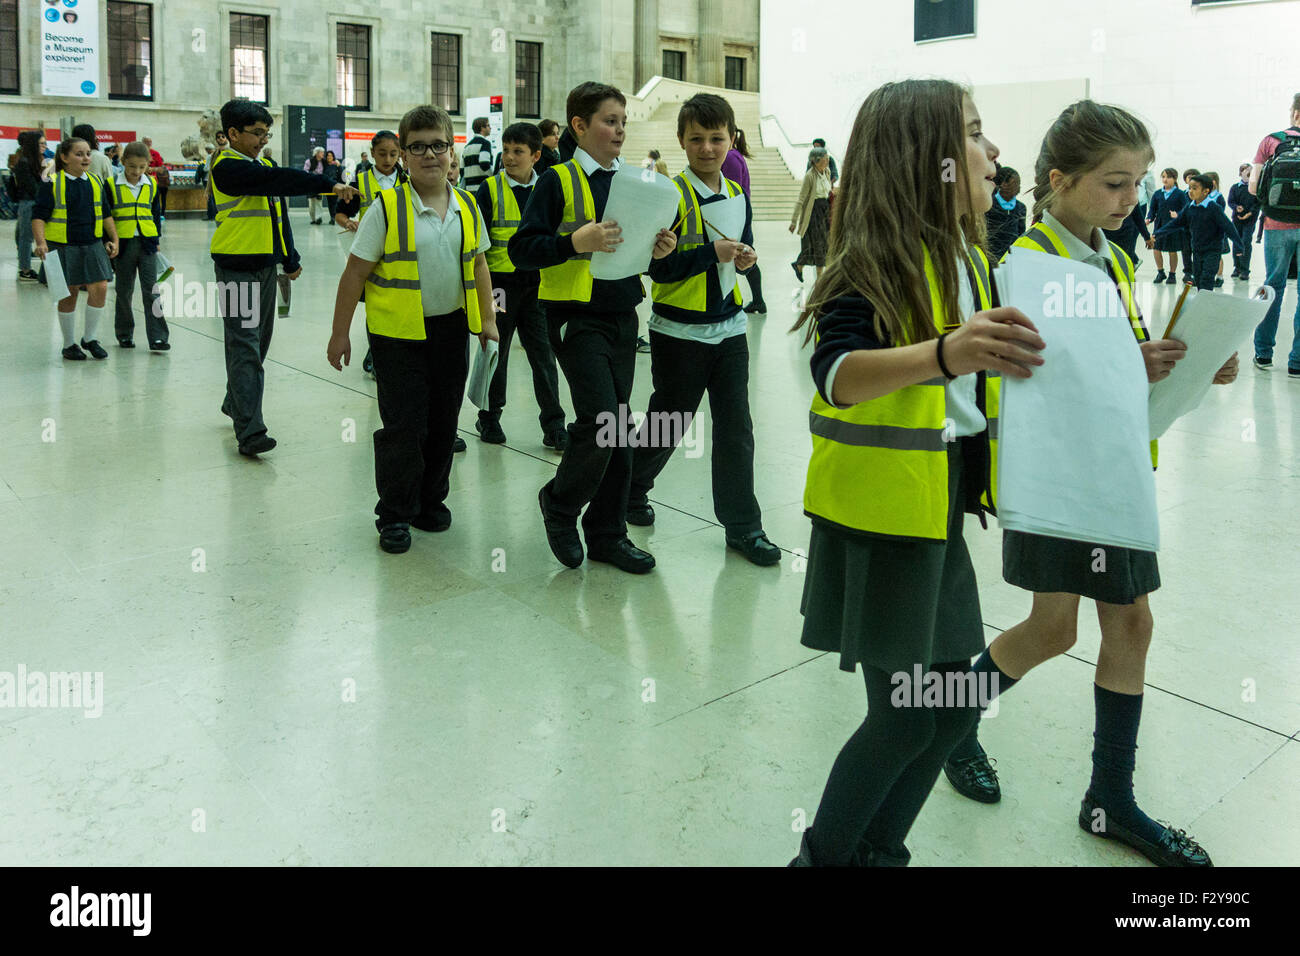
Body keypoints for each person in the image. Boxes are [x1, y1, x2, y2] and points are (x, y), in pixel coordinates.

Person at [944, 100, 1237, 868]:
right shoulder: (1027, 263)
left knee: (1126, 624)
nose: (1128, 202)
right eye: (1113, 185)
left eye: (1136, 185)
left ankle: (1109, 797)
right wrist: (1125, 366)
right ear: (1059, 179)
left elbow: (1122, 359)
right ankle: (950, 723)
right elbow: (1028, 383)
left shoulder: (1109, 256)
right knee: (1053, 629)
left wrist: (1194, 358)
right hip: (1061, 483)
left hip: (1114, 475)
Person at [787, 79, 1044, 866]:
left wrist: (1134, 366)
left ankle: (878, 853)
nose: (992, 150)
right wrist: (944, 353)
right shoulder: (872, 261)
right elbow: (835, 373)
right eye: (972, 132)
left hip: (935, 516)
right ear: (925, 159)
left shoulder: (970, 253)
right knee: (905, 715)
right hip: (882, 521)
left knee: (952, 709)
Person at [510, 81, 677, 574]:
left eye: (624, 122)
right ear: (579, 127)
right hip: (574, 316)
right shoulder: (556, 181)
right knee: (602, 421)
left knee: (620, 426)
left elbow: (632, 251)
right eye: (610, 121)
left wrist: (657, 251)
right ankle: (560, 504)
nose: (620, 130)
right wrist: (572, 243)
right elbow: (523, 250)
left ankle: (607, 534)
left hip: (623, 313)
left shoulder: (634, 182)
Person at [327, 105, 499, 554]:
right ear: (403, 155)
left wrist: (488, 322)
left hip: (450, 331)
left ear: (451, 151)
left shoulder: (466, 205)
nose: (429, 155)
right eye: (418, 147)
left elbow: (479, 263)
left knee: (443, 423)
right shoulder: (385, 209)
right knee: (404, 428)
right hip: (396, 336)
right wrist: (340, 332)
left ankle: (429, 502)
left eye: (438, 146)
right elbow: (355, 274)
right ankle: (395, 515)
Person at [628, 93, 779, 567]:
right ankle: (632, 488)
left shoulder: (737, 195)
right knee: (669, 422)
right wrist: (708, 255)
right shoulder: (668, 196)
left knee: (736, 428)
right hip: (679, 332)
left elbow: (743, 249)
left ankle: (744, 528)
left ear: (732, 139)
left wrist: (747, 258)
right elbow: (659, 270)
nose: (708, 148)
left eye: (717, 138)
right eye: (697, 139)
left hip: (730, 329)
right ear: (681, 141)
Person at [210, 99, 356, 456]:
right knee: (244, 345)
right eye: (256, 133)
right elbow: (276, 182)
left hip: (264, 267)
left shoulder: (262, 164)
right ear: (232, 133)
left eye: (266, 133)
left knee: (258, 344)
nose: (263, 139)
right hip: (235, 269)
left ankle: (236, 402)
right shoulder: (226, 166)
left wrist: (289, 258)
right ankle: (250, 431)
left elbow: (277, 216)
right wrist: (327, 183)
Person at [472, 122, 568, 450]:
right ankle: (489, 416)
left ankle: (554, 424)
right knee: (496, 350)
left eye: (518, 152)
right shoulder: (489, 189)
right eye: (506, 149)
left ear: (536, 155)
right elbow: (477, 245)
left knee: (543, 355)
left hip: (537, 288)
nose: (509, 158)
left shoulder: (548, 188)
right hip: (499, 287)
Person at [31, 137, 119, 361]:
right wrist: (41, 242)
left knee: (99, 288)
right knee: (68, 294)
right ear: (64, 157)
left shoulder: (96, 182)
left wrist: (113, 238)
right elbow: (38, 216)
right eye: (79, 154)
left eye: (88, 153)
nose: (86, 158)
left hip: (92, 244)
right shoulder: (52, 183)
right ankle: (69, 344)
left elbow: (106, 213)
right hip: (63, 246)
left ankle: (89, 338)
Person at [335, 130, 409, 382]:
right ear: (372, 152)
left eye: (393, 154)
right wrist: (349, 223)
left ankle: (376, 353)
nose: (388, 159)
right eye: (382, 154)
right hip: (370, 258)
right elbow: (340, 213)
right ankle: (378, 357)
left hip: (402, 255)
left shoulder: (408, 180)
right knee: (376, 309)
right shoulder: (360, 181)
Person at [1248, 93, 1300, 376]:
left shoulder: (1271, 140)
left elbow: (1254, 187)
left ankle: (1263, 355)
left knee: (1273, 286)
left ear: (1294, 114)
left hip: (1276, 223)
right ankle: (1297, 363)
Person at [109, 141, 167, 350]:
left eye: (142, 167)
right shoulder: (112, 184)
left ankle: (158, 336)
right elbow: (107, 216)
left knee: (151, 290)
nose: (136, 171)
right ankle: (124, 334)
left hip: (147, 243)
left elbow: (155, 213)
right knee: (124, 290)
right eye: (132, 166)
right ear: (123, 162)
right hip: (123, 244)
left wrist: (157, 240)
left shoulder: (151, 184)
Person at [1174, 173, 1243, 291]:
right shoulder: (1191, 206)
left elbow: (1228, 226)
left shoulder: (1214, 205)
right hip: (1197, 249)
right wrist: (1157, 234)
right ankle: (1202, 303)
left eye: (1194, 188)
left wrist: (1239, 245)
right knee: (1199, 278)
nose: (1190, 191)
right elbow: (1178, 223)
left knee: (1207, 279)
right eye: (1190, 188)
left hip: (1213, 248)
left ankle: (1208, 298)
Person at [723, 128, 765, 315]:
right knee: (744, 257)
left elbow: (733, 192)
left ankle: (758, 300)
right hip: (738, 214)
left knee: (744, 257)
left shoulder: (731, 157)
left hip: (735, 215)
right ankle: (758, 300)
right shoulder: (735, 155)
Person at [791, 148, 832, 283]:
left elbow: (828, 191)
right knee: (818, 246)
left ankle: (799, 265)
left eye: (827, 158)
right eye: (825, 158)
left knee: (823, 245)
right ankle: (820, 281)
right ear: (816, 161)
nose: (827, 160)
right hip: (814, 214)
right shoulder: (810, 176)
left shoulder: (827, 172)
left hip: (825, 211)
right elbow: (801, 199)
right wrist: (794, 221)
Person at [1144, 168, 1186, 284]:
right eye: (1163, 177)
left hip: (1173, 227)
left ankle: (1172, 274)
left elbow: (1186, 210)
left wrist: (1178, 215)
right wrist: (1148, 218)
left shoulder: (1180, 194)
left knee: (1172, 251)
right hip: (1160, 226)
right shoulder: (1158, 194)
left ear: (1174, 179)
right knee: (1156, 248)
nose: (1165, 179)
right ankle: (1160, 272)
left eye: (1168, 177)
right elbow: (1152, 209)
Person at [12, 130, 43, 281]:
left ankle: (25, 266)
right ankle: (24, 269)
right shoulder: (24, 163)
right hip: (28, 203)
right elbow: (32, 187)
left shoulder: (30, 161)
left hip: (30, 202)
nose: (44, 146)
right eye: (41, 144)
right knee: (26, 237)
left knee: (26, 236)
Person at [985, 165, 1027, 260]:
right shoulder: (989, 205)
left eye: (1019, 184)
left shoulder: (1021, 208)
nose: (1018, 187)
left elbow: (1021, 235)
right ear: (1003, 184)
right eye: (1015, 183)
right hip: (991, 258)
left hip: (1011, 259)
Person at [1227, 163, 1259, 279]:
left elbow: (1257, 203)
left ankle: (1245, 270)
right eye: (1244, 170)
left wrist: (1250, 213)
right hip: (1236, 220)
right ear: (1240, 173)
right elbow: (1230, 201)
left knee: (1245, 242)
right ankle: (1237, 267)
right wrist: (1236, 207)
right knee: (1236, 243)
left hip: (1249, 221)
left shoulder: (1255, 188)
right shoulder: (1235, 187)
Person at [142, 137, 169, 228]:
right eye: (146, 142)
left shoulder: (156, 153)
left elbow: (161, 169)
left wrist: (152, 169)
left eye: (150, 142)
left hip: (153, 181)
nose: (148, 143)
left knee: (154, 203)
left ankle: (156, 222)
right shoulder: (139, 152)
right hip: (139, 181)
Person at [461, 116, 494, 192]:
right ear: (482, 128)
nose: (490, 128)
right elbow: (484, 163)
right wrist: (493, 176)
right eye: (488, 125)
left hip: (469, 189)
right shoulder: (485, 143)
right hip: (482, 187)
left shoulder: (467, 146)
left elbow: (462, 169)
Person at [304, 147, 327, 223]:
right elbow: (305, 171)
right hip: (311, 184)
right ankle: (313, 219)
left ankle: (319, 218)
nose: (323, 154)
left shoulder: (324, 162)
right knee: (311, 203)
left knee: (319, 202)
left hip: (320, 184)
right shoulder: (309, 161)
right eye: (321, 152)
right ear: (317, 153)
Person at [323, 150, 344, 221]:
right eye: (328, 155)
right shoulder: (324, 165)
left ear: (333, 157)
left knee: (334, 202)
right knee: (329, 202)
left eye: (331, 156)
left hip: (335, 185)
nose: (329, 157)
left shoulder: (336, 164)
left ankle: (334, 217)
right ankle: (332, 217)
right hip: (327, 186)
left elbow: (341, 174)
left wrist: (339, 165)